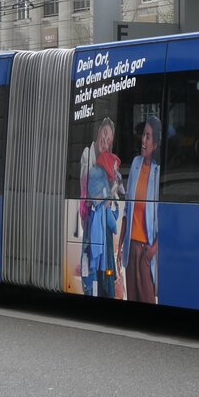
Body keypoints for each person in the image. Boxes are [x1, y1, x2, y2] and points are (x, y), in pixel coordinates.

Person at [78, 118, 123, 297]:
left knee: (102, 263)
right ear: (98, 132)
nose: (106, 140)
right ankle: (92, 289)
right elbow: (84, 184)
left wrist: (110, 197)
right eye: (105, 134)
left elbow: (114, 198)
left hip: (101, 220)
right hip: (90, 219)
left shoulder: (108, 165)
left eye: (110, 139)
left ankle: (100, 290)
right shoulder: (88, 154)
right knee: (91, 261)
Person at [119, 116, 160, 304]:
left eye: (149, 136)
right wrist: (119, 246)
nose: (144, 140)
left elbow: (163, 216)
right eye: (143, 134)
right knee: (132, 300)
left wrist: (152, 251)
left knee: (148, 300)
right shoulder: (135, 164)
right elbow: (127, 209)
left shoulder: (159, 171)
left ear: (156, 144)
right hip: (131, 247)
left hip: (145, 250)